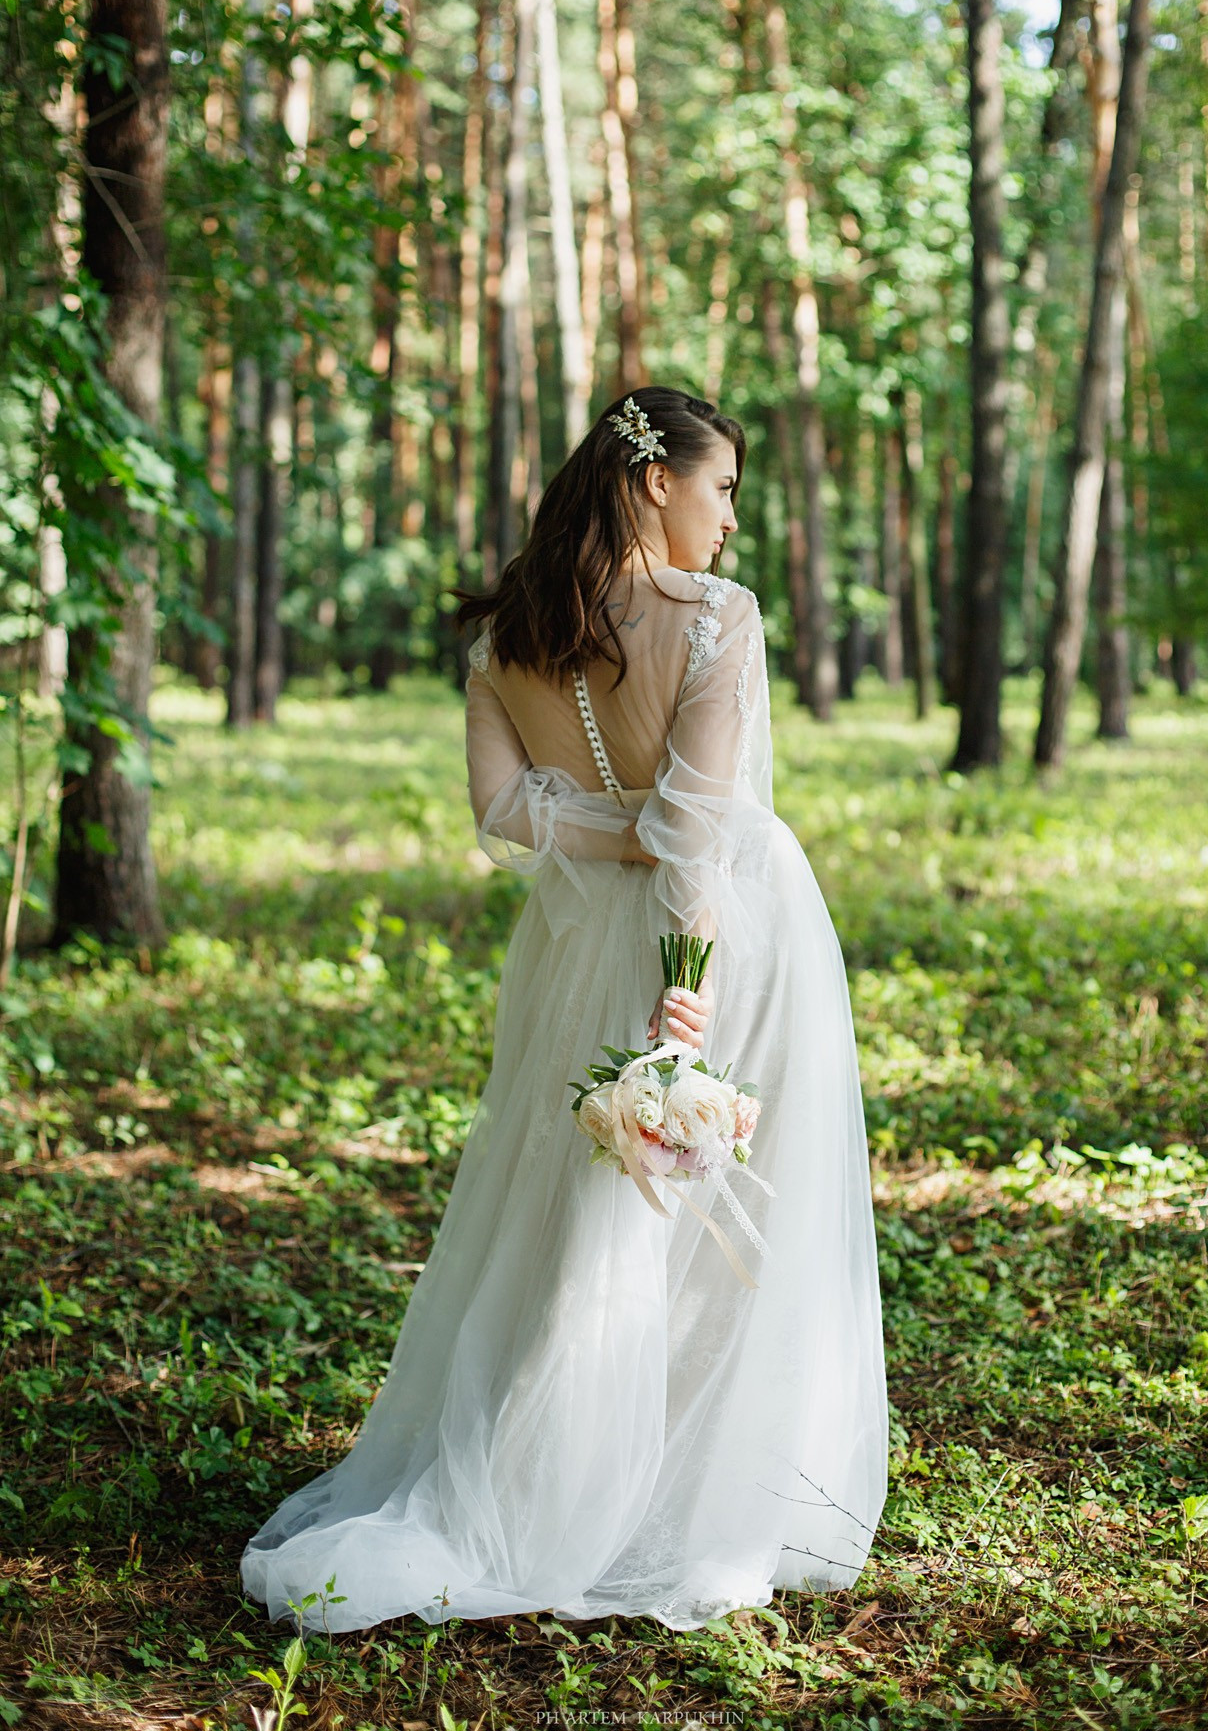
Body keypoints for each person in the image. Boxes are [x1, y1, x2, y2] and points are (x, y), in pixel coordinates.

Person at [240, 386, 888, 1635]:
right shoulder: (715, 622)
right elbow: (695, 833)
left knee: (577, 1203)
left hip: (573, 946)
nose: (729, 522)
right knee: (713, 1212)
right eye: (721, 489)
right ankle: (663, 1496)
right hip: (720, 948)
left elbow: (506, 820)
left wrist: (603, 831)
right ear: (655, 482)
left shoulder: (504, 639)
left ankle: (555, 1463)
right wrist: (681, 1000)